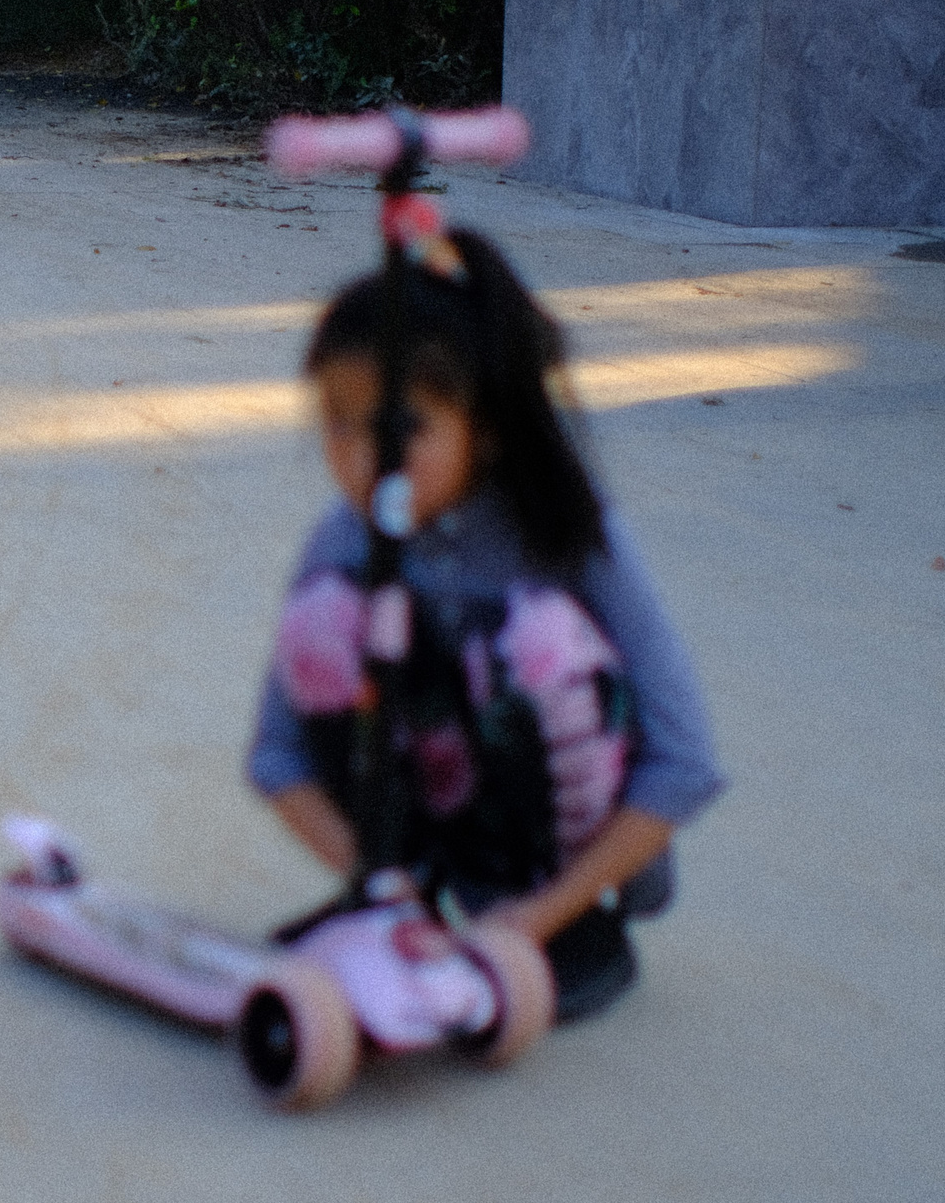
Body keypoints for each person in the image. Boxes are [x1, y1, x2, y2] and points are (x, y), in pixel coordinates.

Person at [248, 225, 724, 1024]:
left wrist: (531, 922)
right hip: (425, 828)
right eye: (338, 420)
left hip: (562, 838)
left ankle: (566, 925)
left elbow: (685, 759)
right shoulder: (344, 543)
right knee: (327, 621)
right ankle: (416, 894)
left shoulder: (567, 533)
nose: (364, 461)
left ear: (487, 428)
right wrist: (382, 885)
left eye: (402, 430)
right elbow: (278, 753)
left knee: (529, 647)